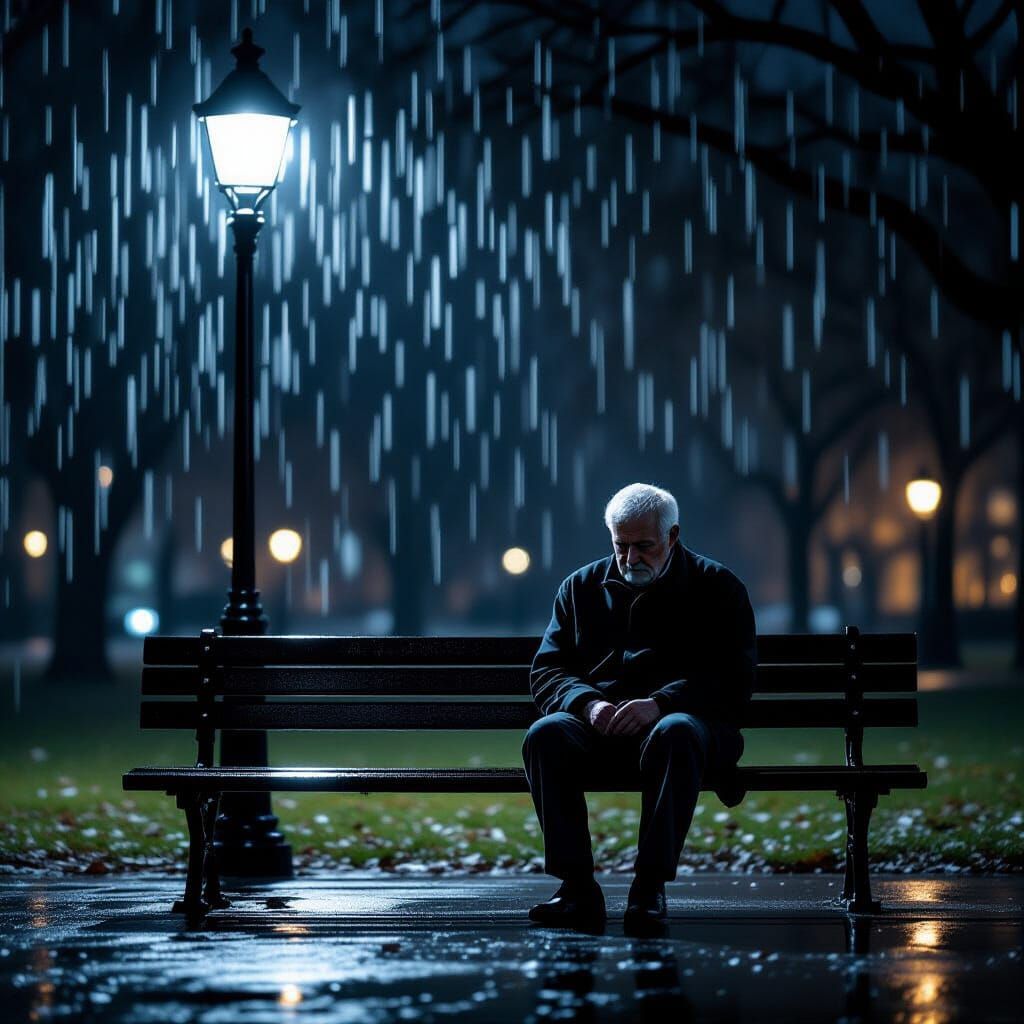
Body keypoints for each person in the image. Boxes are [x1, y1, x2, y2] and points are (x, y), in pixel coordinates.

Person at [523, 482, 756, 932]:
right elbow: (548, 671)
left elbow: (733, 677)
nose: (630, 558)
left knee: (676, 731)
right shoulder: (579, 588)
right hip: (601, 727)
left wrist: (661, 703)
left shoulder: (718, 587)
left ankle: (649, 886)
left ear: (672, 536)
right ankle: (576, 887)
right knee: (545, 735)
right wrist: (588, 704)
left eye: (644, 546)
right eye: (621, 546)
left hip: (686, 728)